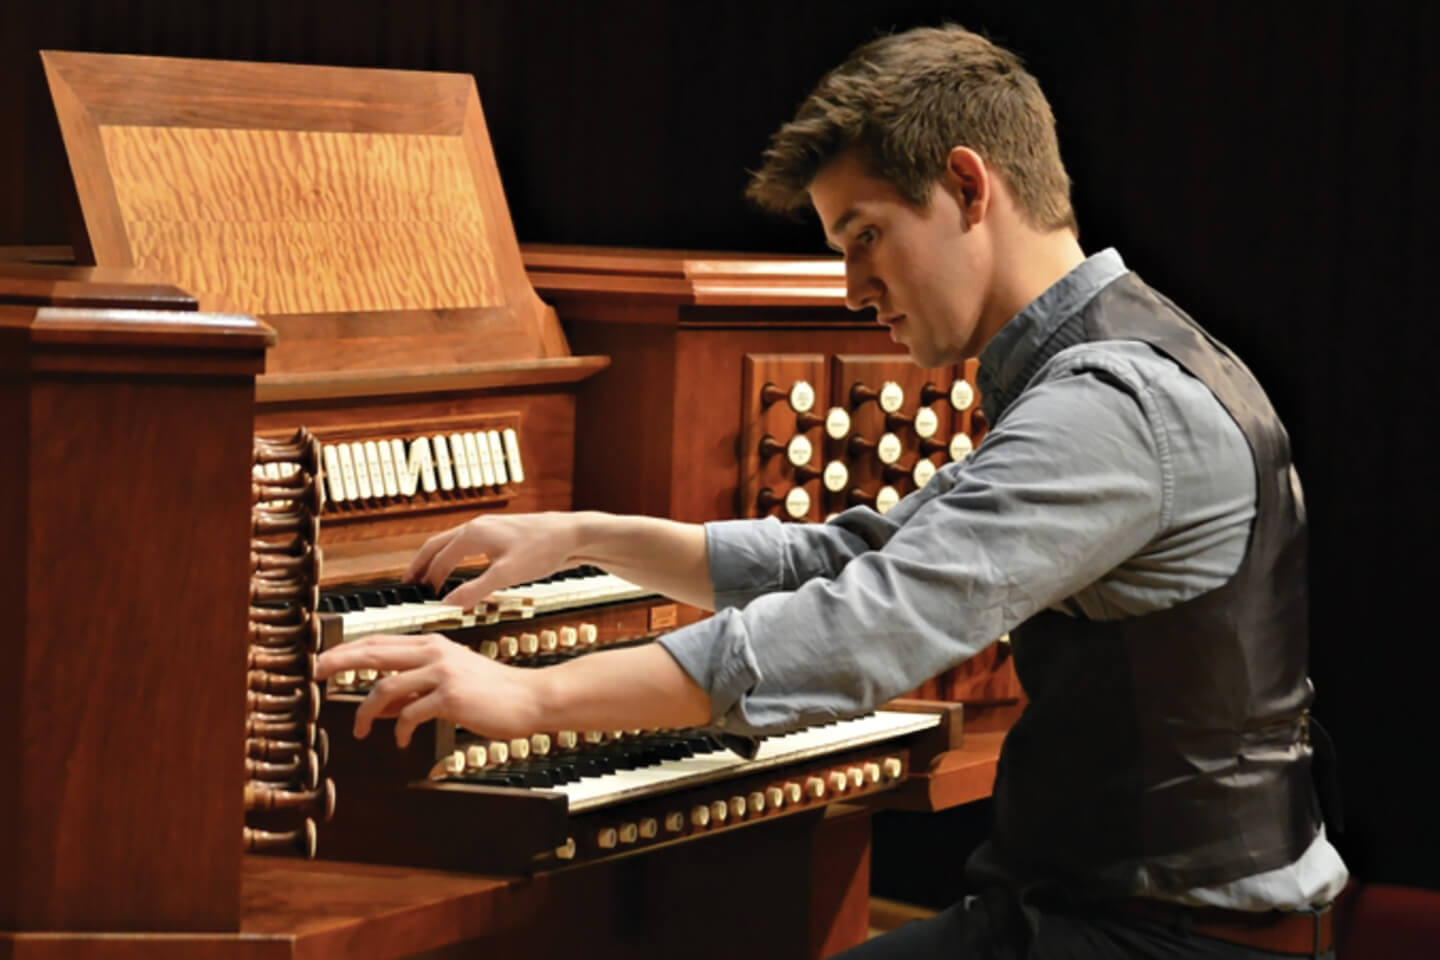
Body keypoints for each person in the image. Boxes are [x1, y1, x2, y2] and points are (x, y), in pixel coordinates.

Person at [316, 23, 1346, 959]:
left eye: (864, 237)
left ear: (969, 188)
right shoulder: (1102, 364)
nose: (853, 288)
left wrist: (531, 694)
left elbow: (866, 628)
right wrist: (590, 536)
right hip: (1106, 912)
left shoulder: (1111, 406)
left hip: (1170, 939)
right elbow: (851, 559)